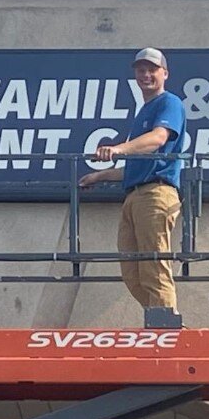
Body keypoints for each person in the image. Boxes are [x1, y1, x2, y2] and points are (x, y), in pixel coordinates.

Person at [79, 48, 186, 313]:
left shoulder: (168, 102)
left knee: (153, 263)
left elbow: (159, 138)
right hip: (135, 195)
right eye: (141, 70)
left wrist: (119, 149)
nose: (146, 74)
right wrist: (101, 175)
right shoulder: (144, 112)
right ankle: (158, 318)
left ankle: (166, 328)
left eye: (152, 69)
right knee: (131, 270)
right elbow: (135, 168)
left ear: (165, 73)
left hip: (155, 194)